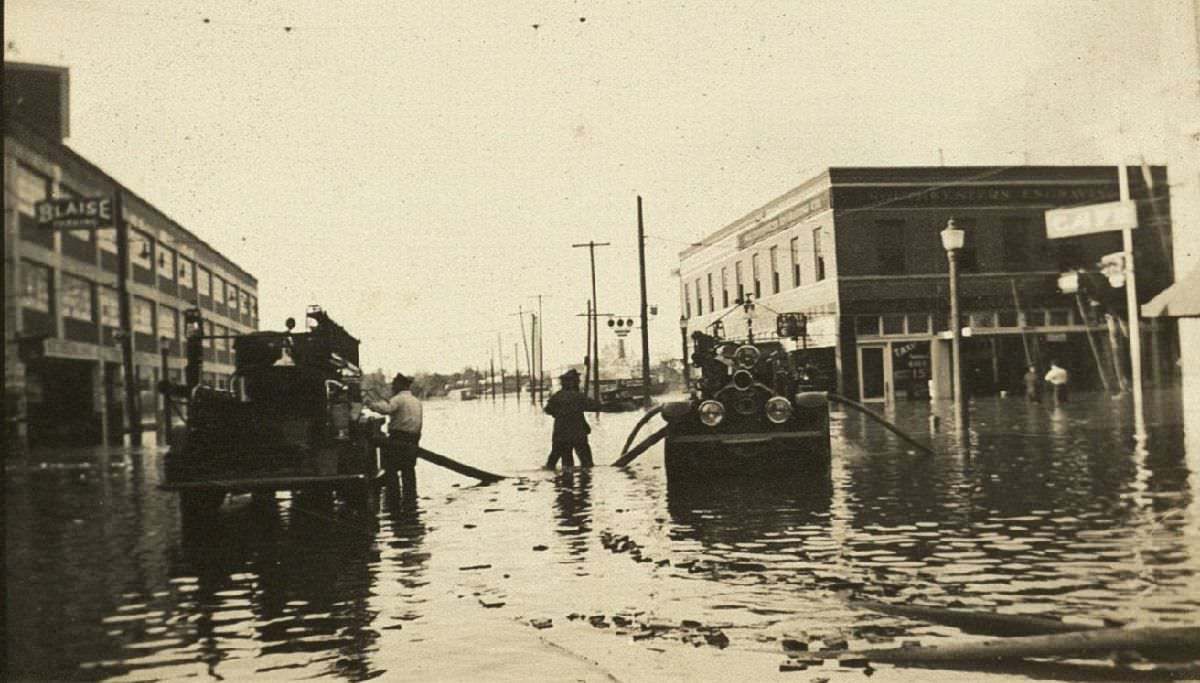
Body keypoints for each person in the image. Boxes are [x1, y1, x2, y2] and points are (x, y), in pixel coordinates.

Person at [367, 372, 423, 498]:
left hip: (399, 438)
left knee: (391, 469)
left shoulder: (398, 399)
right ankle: (411, 498)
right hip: (413, 439)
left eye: (394, 385)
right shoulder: (416, 401)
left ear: (400, 385)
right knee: (408, 469)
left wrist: (371, 405)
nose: (392, 387)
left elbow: (386, 409)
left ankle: (393, 497)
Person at [543, 369, 600, 469]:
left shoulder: (557, 396)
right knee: (587, 463)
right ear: (573, 382)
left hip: (561, 434)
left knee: (565, 463)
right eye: (577, 381)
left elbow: (548, 410)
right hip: (578, 434)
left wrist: (558, 414)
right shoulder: (578, 396)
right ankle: (584, 482)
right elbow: (595, 406)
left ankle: (565, 482)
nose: (579, 382)